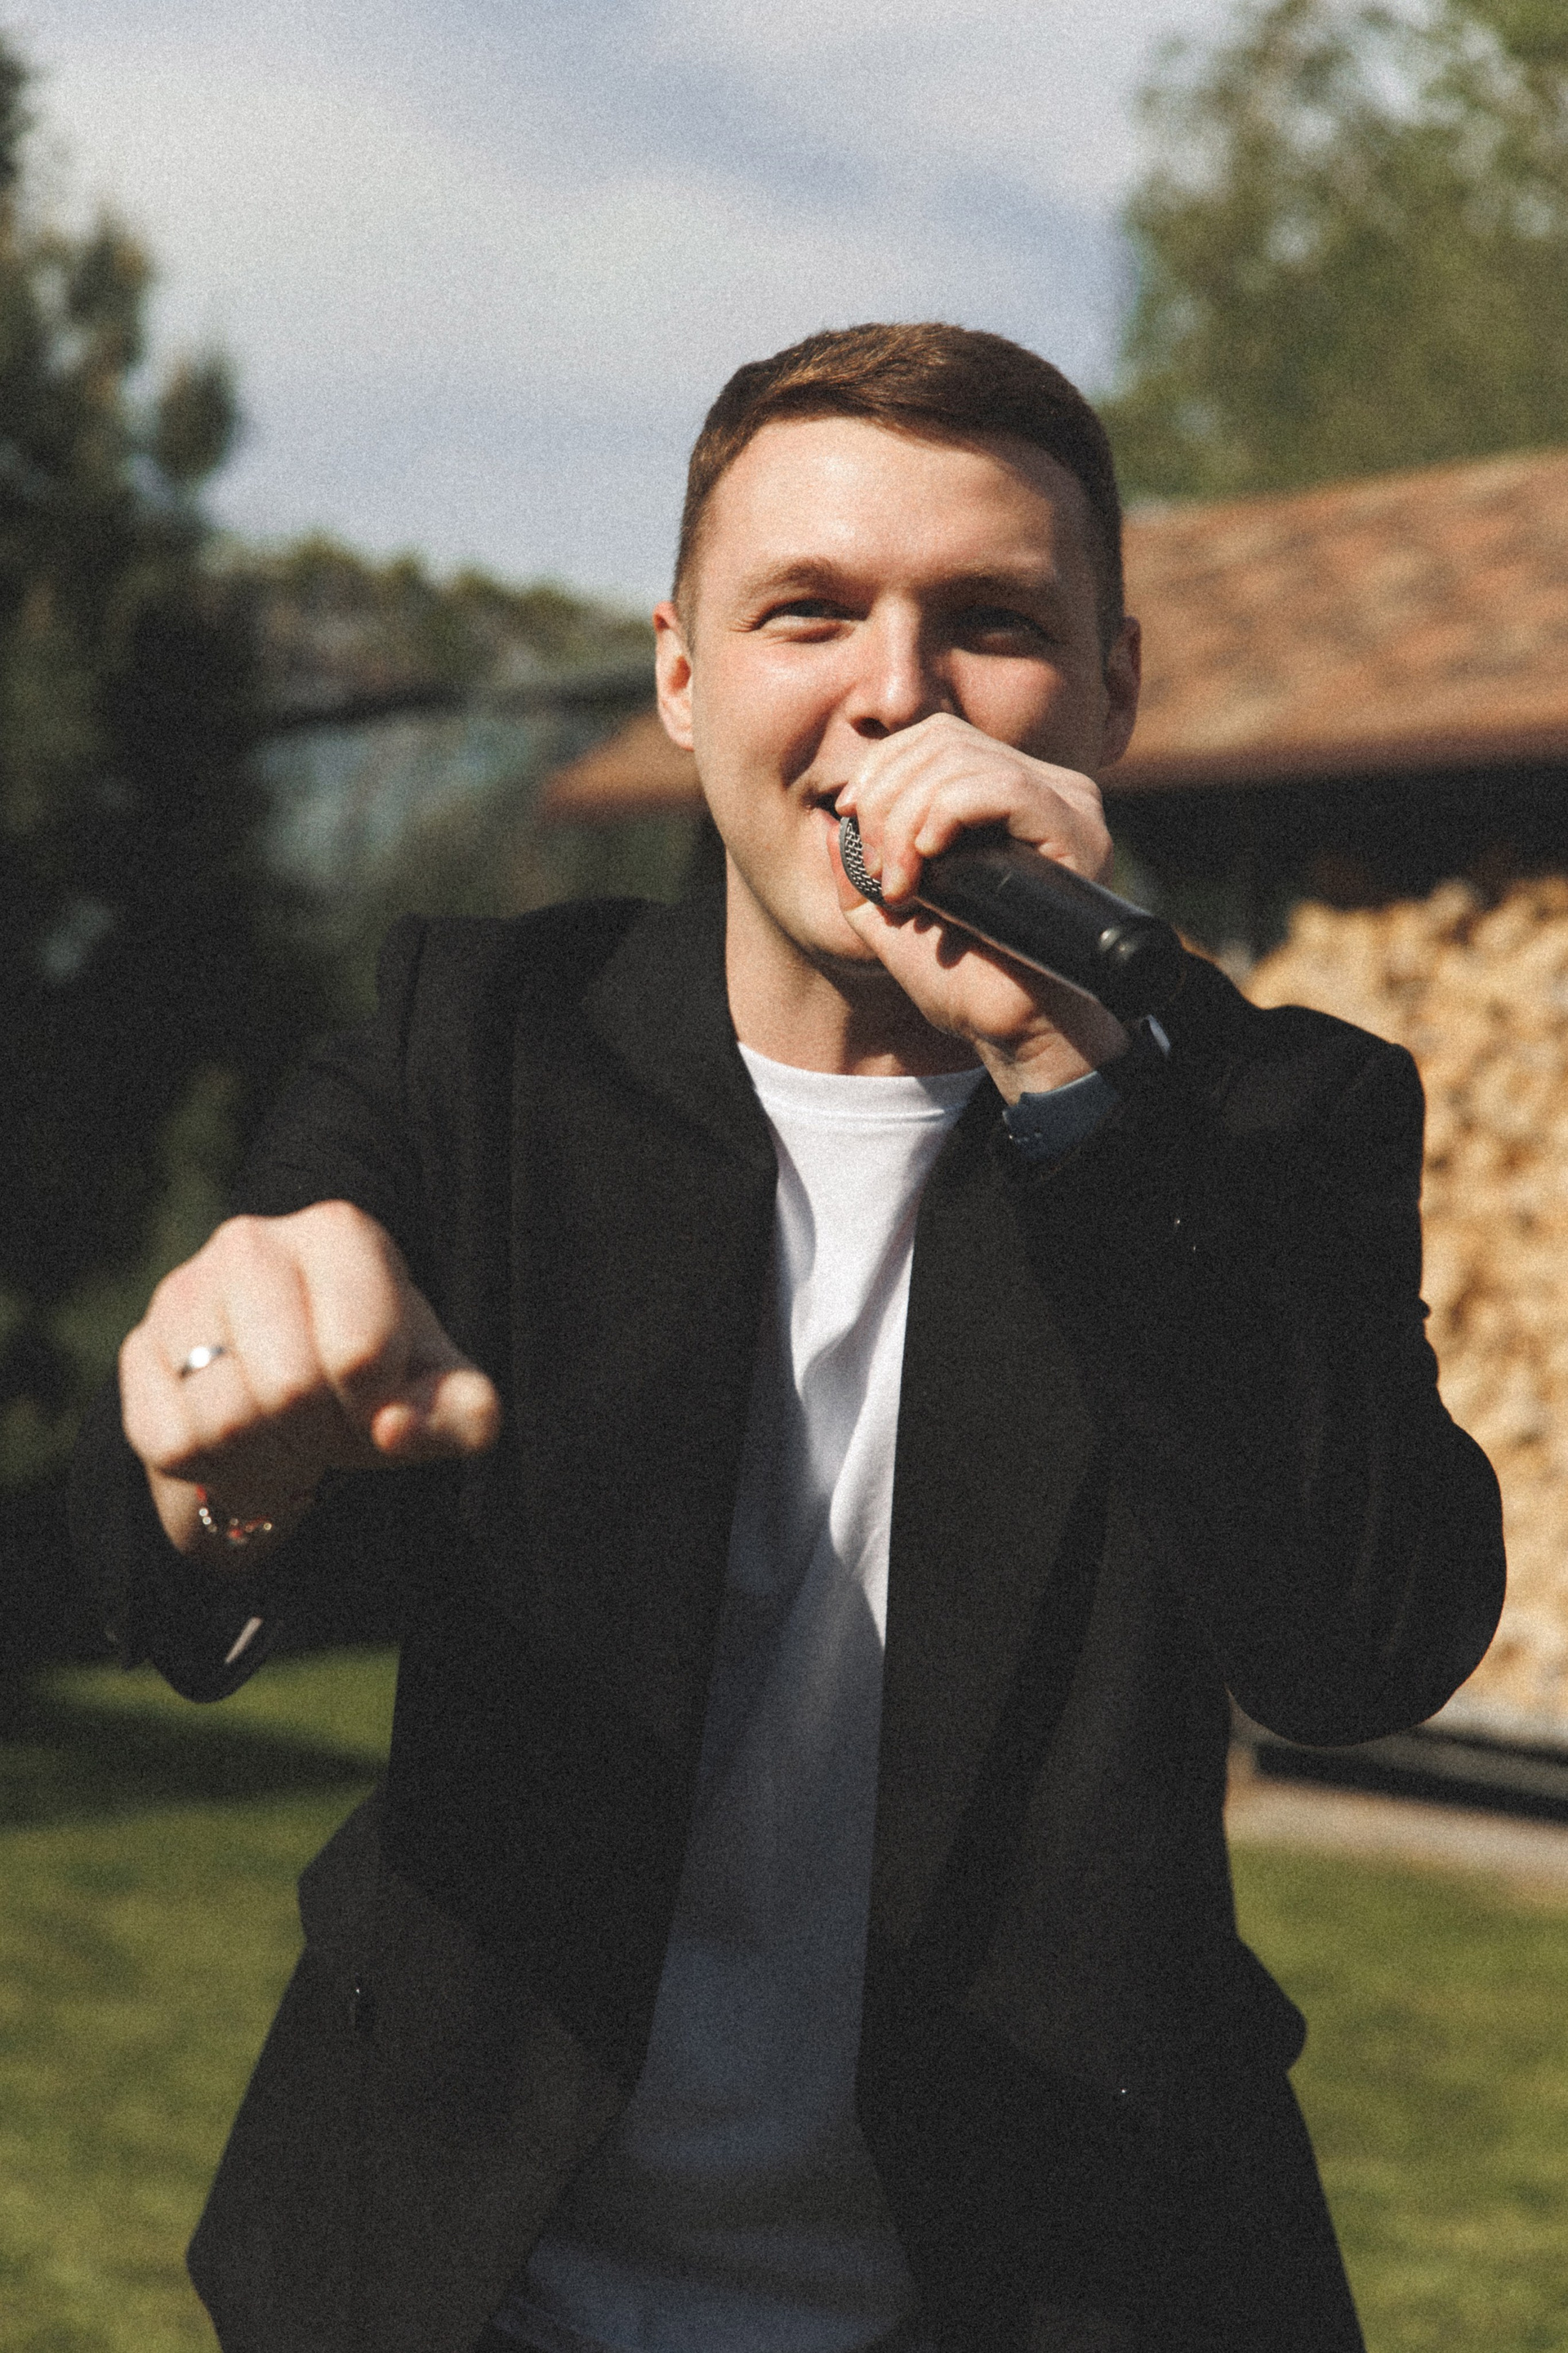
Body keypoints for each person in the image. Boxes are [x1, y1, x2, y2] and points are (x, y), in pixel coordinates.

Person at [72, 323, 1504, 2353]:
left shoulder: (1266, 1113)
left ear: (1113, 689)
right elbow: (159, 1528)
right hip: (466, 2285)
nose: (896, 691)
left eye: (992, 622)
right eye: (808, 611)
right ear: (681, 675)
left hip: (1051, 2293)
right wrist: (223, 1465)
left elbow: (1361, 1647)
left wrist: (1071, 1078)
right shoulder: (480, 1038)